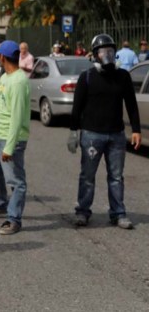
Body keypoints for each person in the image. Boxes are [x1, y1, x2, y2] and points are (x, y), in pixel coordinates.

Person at [67, 34, 141, 229]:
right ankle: (83, 211)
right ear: (95, 55)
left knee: (116, 177)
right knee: (87, 176)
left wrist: (136, 130)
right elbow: (77, 107)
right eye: (102, 51)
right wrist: (73, 132)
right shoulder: (88, 77)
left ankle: (118, 213)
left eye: (110, 51)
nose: (107, 55)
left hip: (116, 135)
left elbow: (131, 105)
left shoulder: (123, 76)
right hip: (92, 135)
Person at [0, 40, 30, 235]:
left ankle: (14, 219)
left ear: (1, 57)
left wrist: (10, 147)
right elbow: (0, 109)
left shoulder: (19, 81)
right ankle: (0, 204)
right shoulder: (5, 77)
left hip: (12, 138)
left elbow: (17, 117)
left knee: (16, 181)